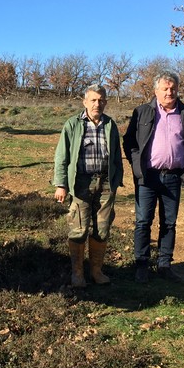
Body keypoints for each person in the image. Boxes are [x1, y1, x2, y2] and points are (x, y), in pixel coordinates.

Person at [122, 70, 184, 282]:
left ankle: (164, 265)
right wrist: (137, 167)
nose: (169, 92)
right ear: (156, 91)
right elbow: (129, 142)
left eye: (173, 88)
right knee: (143, 221)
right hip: (147, 177)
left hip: (173, 177)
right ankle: (142, 265)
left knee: (169, 223)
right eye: (165, 88)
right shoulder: (142, 112)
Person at [53, 84, 123, 287]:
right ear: (85, 102)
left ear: (106, 102)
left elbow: (117, 156)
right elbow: (61, 157)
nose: (97, 104)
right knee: (79, 229)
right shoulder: (73, 124)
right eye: (93, 100)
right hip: (81, 183)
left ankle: (96, 272)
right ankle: (77, 273)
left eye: (101, 100)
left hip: (106, 183)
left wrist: (116, 181)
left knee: (102, 229)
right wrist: (61, 184)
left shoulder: (110, 125)